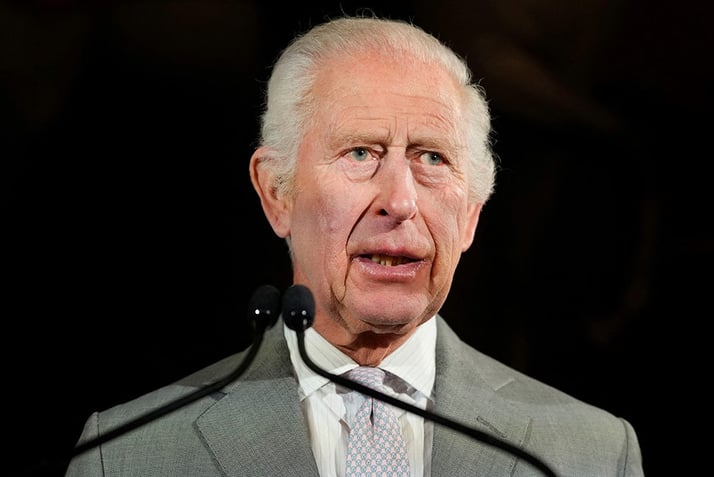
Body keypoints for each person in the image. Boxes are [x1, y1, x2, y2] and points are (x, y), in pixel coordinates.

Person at [66, 14, 644, 477]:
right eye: (361, 153)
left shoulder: (587, 454)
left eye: (432, 158)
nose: (400, 200)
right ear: (277, 194)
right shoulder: (129, 456)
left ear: (470, 217)